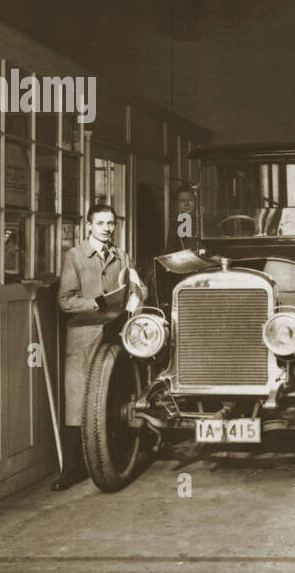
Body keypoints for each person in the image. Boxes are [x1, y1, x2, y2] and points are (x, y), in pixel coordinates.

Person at [54, 204, 147, 490]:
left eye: (111, 223)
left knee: (113, 396)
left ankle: (110, 458)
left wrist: (135, 298)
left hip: (115, 332)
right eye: (101, 223)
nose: (107, 228)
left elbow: (132, 289)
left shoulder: (121, 255)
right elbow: (65, 300)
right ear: (89, 226)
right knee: (77, 400)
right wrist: (95, 303)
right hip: (85, 334)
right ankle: (72, 469)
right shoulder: (76, 256)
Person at [166, 184, 199, 253]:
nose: (186, 204)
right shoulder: (175, 225)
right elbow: (169, 251)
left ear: (196, 201)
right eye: (182, 200)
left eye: (190, 199)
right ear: (178, 203)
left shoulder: (206, 221)